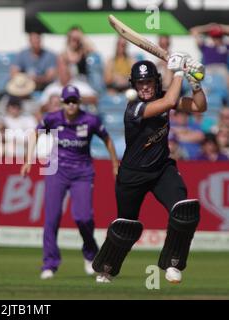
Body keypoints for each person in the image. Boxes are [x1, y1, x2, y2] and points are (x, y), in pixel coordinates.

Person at [92, 56, 207, 284]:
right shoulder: (134, 109)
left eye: (148, 82)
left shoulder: (166, 97)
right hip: (132, 175)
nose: (144, 87)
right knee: (126, 226)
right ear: (134, 86)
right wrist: (177, 71)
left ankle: (172, 264)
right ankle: (107, 268)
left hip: (161, 169)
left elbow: (199, 106)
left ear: (156, 82)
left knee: (184, 211)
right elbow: (167, 103)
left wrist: (195, 83)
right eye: (140, 83)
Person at [20, 84, 119, 280]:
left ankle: (91, 256)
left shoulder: (90, 120)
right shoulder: (53, 118)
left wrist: (115, 164)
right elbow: (35, 133)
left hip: (82, 172)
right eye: (68, 101)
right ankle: (50, 264)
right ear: (63, 102)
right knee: (52, 218)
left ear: (79, 102)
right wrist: (28, 159)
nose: (71, 105)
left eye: (75, 101)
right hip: (56, 170)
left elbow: (107, 139)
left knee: (83, 217)